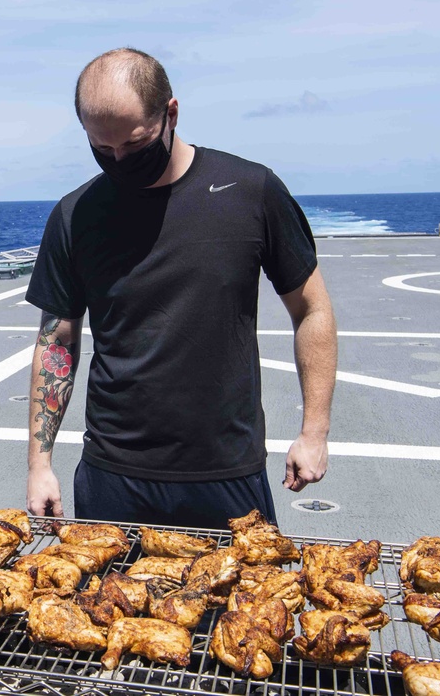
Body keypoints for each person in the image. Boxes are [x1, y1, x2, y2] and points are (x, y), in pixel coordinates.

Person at [25, 48, 337, 529]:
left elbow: (311, 309)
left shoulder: (251, 191)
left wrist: (313, 432)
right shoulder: (75, 214)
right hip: (113, 476)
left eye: (134, 143)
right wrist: (39, 465)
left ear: (170, 113)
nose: (120, 160)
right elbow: (57, 340)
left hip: (227, 472)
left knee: (247, 608)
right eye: (102, 149)